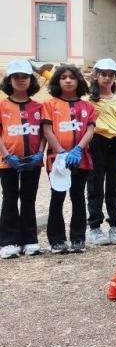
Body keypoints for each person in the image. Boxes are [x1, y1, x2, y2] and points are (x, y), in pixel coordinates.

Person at [41, 65, 95, 253]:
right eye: (63, 77)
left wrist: (78, 149)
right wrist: (61, 152)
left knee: (78, 197)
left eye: (72, 77)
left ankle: (78, 238)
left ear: (79, 81)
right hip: (56, 159)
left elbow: (90, 129)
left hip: (81, 158)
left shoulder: (87, 106)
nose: (68, 80)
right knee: (57, 197)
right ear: (57, 81)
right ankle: (56, 240)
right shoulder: (49, 104)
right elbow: (47, 129)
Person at [85, 58, 116, 247]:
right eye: (103, 74)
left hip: (115, 143)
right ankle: (95, 226)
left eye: (110, 75)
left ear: (115, 78)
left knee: (114, 185)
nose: (106, 78)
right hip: (95, 142)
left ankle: (114, 224)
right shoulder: (88, 100)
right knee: (95, 184)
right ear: (96, 75)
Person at [0, 60, 45, 258]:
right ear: (9, 80)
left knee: (29, 198)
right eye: (16, 77)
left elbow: (44, 133)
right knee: (10, 198)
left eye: (25, 76)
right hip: (7, 161)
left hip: (32, 161)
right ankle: (8, 241)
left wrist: (41, 152)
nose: (20, 80)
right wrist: (6, 155)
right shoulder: (2, 105)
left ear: (30, 80)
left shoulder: (38, 106)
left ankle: (30, 239)